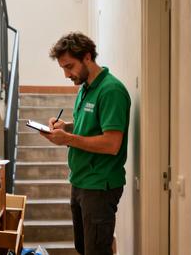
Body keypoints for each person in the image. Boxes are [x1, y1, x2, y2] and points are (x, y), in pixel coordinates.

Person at [40, 32, 131, 255]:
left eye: (69, 66)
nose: (66, 74)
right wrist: (67, 126)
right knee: (83, 248)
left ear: (87, 57)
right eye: (63, 68)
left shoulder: (111, 90)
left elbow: (111, 144)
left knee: (96, 251)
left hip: (100, 185)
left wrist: (68, 139)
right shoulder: (85, 89)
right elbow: (90, 126)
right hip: (80, 182)